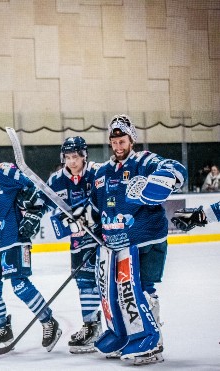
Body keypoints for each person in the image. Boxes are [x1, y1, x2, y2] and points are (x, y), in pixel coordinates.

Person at [86, 114, 187, 365]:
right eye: (115, 142)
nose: (119, 146)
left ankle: (152, 340)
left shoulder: (145, 161)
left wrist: (167, 179)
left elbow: (176, 169)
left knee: (140, 290)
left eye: (123, 141)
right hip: (115, 245)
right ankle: (123, 335)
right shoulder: (103, 172)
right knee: (118, 292)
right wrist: (88, 221)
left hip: (146, 240)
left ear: (132, 140)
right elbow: (95, 209)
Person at [0, 137, 62, 352]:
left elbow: (39, 193)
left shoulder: (6, 172)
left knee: (19, 285)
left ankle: (49, 322)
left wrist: (35, 214)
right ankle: (2, 330)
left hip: (13, 238)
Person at [44, 137, 102, 353]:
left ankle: (113, 328)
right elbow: (43, 203)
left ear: (84, 156)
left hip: (102, 241)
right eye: (68, 158)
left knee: (106, 284)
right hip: (78, 242)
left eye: (75, 157)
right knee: (84, 283)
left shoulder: (97, 173)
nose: (72, 162)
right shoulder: (57, 180)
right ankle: (92, 327)